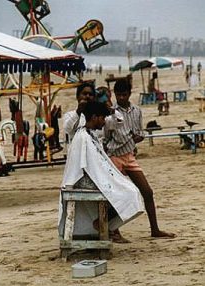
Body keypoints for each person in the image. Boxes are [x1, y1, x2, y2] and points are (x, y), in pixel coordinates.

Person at [59, 102, 144, 242]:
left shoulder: (88, 134)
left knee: (129, 190)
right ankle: (102, 223)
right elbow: (91, 167)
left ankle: (104, 224)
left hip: (89, 177)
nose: (104, 121)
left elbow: (97, 164)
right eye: (102, 118)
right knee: (130, 193)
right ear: (94, 117)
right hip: (82, 180)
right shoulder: (83, 137)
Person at [103, 79, 176, 239]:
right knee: (117, 195)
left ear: (129, 94)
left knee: (147, 192)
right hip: (114, 157)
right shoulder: (110, 112)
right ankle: (114, 230)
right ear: (115, 95)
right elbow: (106, 138)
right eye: (118, 95)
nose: (121, 98)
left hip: (129, 156)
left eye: (124, 95)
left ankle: (155, 229)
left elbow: (140, 133)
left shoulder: (136, 111)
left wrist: (135, 138)